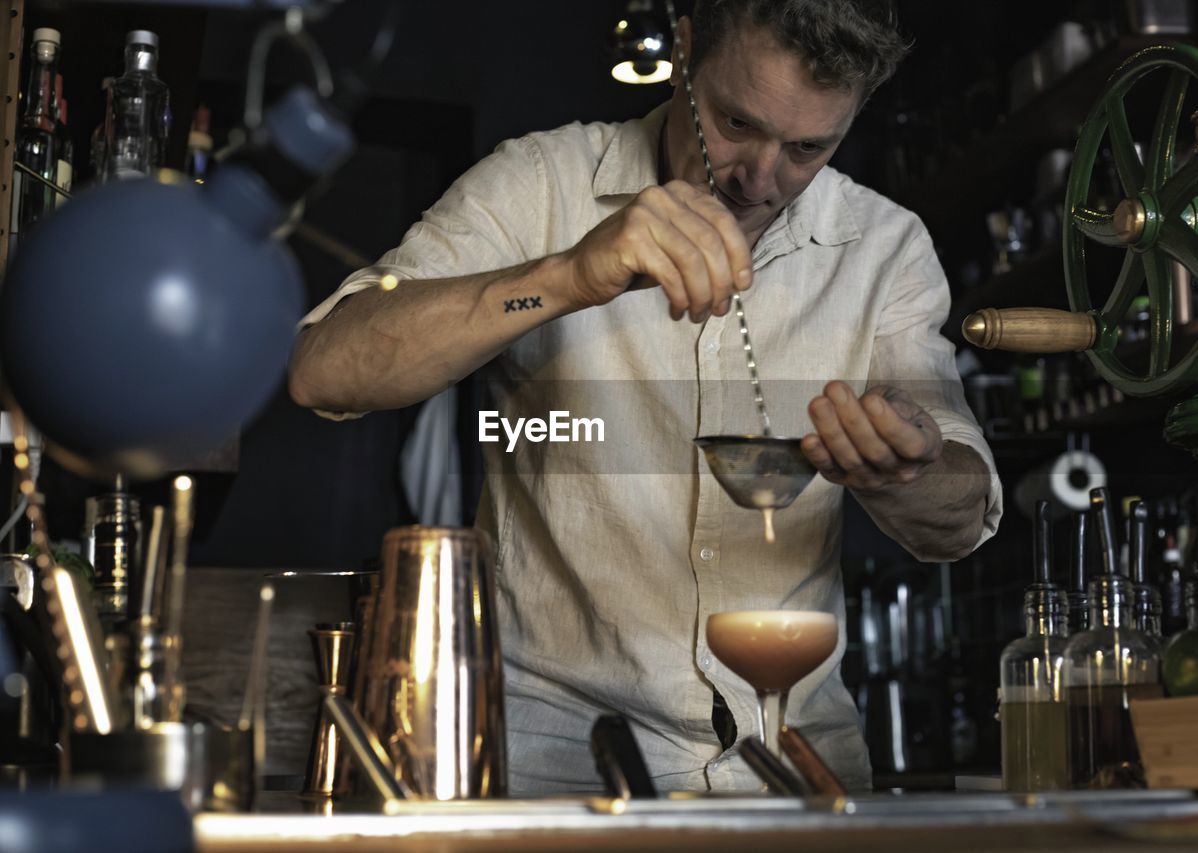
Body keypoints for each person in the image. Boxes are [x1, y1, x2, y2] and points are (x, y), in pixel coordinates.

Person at [288, 0, 1002, 794]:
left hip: (797, 768)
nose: (760, 179)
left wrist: (909, 469)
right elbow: (326, 366)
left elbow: (962, 516)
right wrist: (564, 277)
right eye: (735, 121)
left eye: (807, 148)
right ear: (687, 48)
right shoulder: (541, 183)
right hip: (559, 765)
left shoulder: (885, 248)